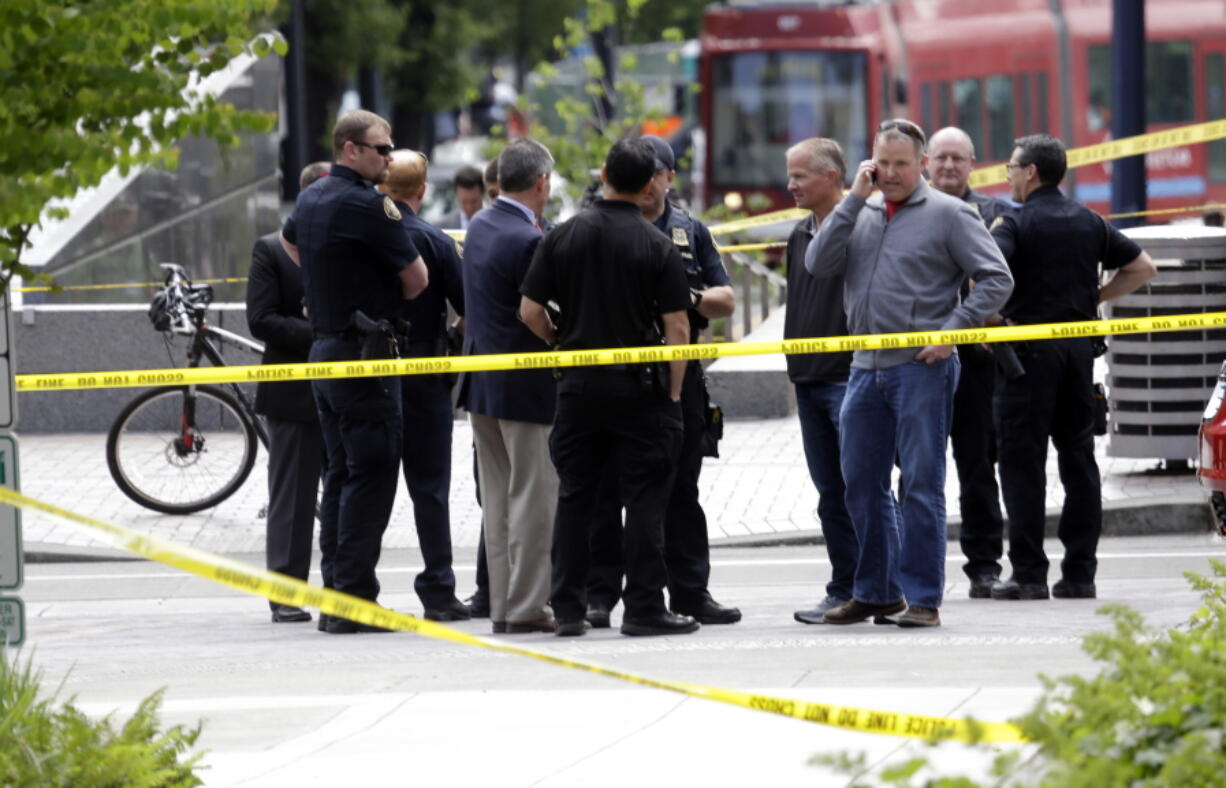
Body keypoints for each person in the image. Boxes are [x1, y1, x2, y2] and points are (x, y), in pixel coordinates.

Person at [804, 119, 1013, 628]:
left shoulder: (950, 214)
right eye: (884, 163)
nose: (892, 173)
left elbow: (996, 278)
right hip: (863, 367)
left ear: (921, 165)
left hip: (921, 369)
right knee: (859, 482)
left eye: (902, 164)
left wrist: (953, 331)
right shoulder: (862, 211)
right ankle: (877, 592)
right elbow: (817, 263)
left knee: (920, 483)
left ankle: (923, 599)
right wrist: (852, 200)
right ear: (869, 161)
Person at [520, 137, 698, 638]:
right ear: (647, 187)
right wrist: (674, 392)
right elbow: (678, 329)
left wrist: (560, 343)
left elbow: (529, 312)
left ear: (602, 176)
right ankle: (643, 607)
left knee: (575, 497)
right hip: (641, 392)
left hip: (577, 388)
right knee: (644, 500)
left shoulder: (560, 237)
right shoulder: (656, 245)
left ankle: (571, 609)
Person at [279, 109, 429, 634]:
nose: (388, 157)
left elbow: (291, 241)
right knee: (370, 476)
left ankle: (336, 597)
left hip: (323, 353)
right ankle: (355, 603)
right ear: (351, 149)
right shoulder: (371, 207)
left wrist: (322, 292)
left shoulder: (313, 195)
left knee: (341, 474)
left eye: (389, 149)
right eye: (381, 148)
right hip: (364, 359)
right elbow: (417, 280)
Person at [583, 135, 740, 629]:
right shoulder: (598, 228)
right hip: (614, 376)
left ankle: (690, 591)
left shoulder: (689, 231)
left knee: (679, 489)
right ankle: (600, 594)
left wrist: (685, 299)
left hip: (678, 376)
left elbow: (726, 299)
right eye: (644, 174)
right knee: (606, 490)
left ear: (670, 178)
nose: (650, 184)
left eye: (659, 174)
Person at [990, 134, 1156, 601]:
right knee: (1079, 461)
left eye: (1011, 167)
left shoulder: (1014, 219)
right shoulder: (1090, 220)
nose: (1007, 175)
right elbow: (1143, 267)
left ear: (1030, 173)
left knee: (1022, 467)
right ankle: (1080, 574)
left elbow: (989, 268)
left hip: (1026, 356)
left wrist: (991, 312)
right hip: (1079, 354)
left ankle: (1028, 574)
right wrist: (1093, 300)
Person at [459, 138, 559, 634]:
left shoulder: (479, 224)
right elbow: (534, 312)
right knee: (532, 499)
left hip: (481, 380)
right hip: (525, 384)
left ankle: (502, 604)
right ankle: (527, 607)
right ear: (542, 183)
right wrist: (558, 343)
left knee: (497, 500)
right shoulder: (529, 239)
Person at [378, 150, 470, 622]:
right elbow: (469, 308)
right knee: (430, 489)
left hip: (367, 373)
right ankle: (438, 589)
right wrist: (451, 343)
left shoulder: (361, 237)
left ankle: (350, 589)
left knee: (362, 484)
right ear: (423, 190)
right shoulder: (434, 241)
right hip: (425, 372)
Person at [925, 127, 1012, 598]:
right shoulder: (902, 214)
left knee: (978, 464)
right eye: (941, 158)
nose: (949, 166)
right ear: (926, 162)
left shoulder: (997, 216)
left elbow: (1009, 277)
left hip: (977, 362)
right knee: (916, 466)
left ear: (973, 163)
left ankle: (984, 566)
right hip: (918, 359)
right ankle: (914, 564)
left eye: (958, 158)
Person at [247, 160, 331, 624]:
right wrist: (316, 331)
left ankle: (344, 588)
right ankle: (285, 592)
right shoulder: (270, 251)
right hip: (291, 392)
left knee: (341, 493)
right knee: (292, 498)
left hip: (340, 392)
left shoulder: (336, 248)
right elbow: (260, 320)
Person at [782, 138, 858, 625]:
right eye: (790, 176)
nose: (790, 185)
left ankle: (877, 585)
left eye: (800, 176)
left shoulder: (860, 230)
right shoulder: (798, 234)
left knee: (864, 489)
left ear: (831, 178)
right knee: (830, 492)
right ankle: (844, 587)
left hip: (847, 378)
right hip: (808, 379)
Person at [436, 166, 485, 230]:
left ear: (483, 193)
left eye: (474, 201)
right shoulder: (442, 227)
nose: (469, 207)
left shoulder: (496, 222)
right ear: (456, 195)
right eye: (464, 202)